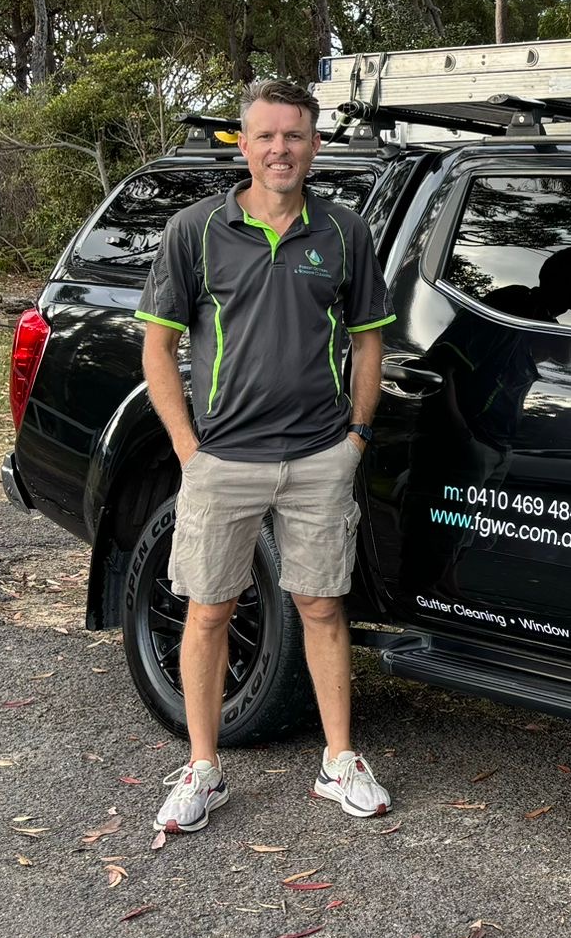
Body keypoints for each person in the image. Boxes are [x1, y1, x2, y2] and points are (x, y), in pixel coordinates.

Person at [135, 76, 397, 835]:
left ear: (314, 145)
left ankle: (338, 761)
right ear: (243, 146)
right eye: (267, 136)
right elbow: (159, 345)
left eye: (295, 135)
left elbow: (368, 337)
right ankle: (203, 768)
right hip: (225, 457)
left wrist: (356, 436)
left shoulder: (344, 230)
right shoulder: (196, 230)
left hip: (320, 454)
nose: (280, 149)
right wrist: (189, 447)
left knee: (321, 604)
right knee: (210, 609)